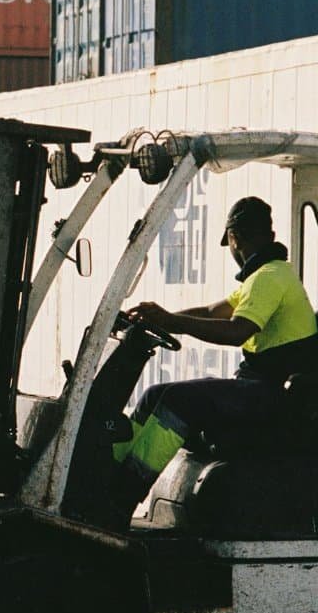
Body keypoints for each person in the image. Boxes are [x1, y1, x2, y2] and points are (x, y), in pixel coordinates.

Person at [107, 196, 318, 515]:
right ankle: (106, 478)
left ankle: (120, 499)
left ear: (234, 237)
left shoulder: (270, 278)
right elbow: (212, 312)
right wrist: (158, 319)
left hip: (273, 395)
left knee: (180, 401)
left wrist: (173, 321)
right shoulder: (265, 276)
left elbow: (236, 332)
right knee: (154, 395)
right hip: (263, 390)